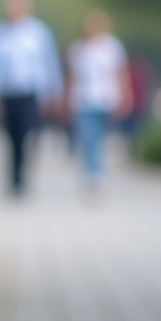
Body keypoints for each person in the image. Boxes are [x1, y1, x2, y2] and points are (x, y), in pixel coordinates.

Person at [0, 0, 62, 195]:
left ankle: (22, 175)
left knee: (27, 134)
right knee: (9, 137)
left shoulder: (39, 33)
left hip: (30, 93)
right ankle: (13, 178)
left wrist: (52, 93)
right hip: (6, 94)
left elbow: (49, 64)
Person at [64, 10, 131, 192]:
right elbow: (71, 78)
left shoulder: (112, 47)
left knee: (100, 139)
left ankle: (97, 171)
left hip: (106, 99)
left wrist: (126, 96)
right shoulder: (78, 49)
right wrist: (66, 102)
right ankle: (91, 174)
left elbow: (121, 74)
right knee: (87, 138)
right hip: (84, 100)